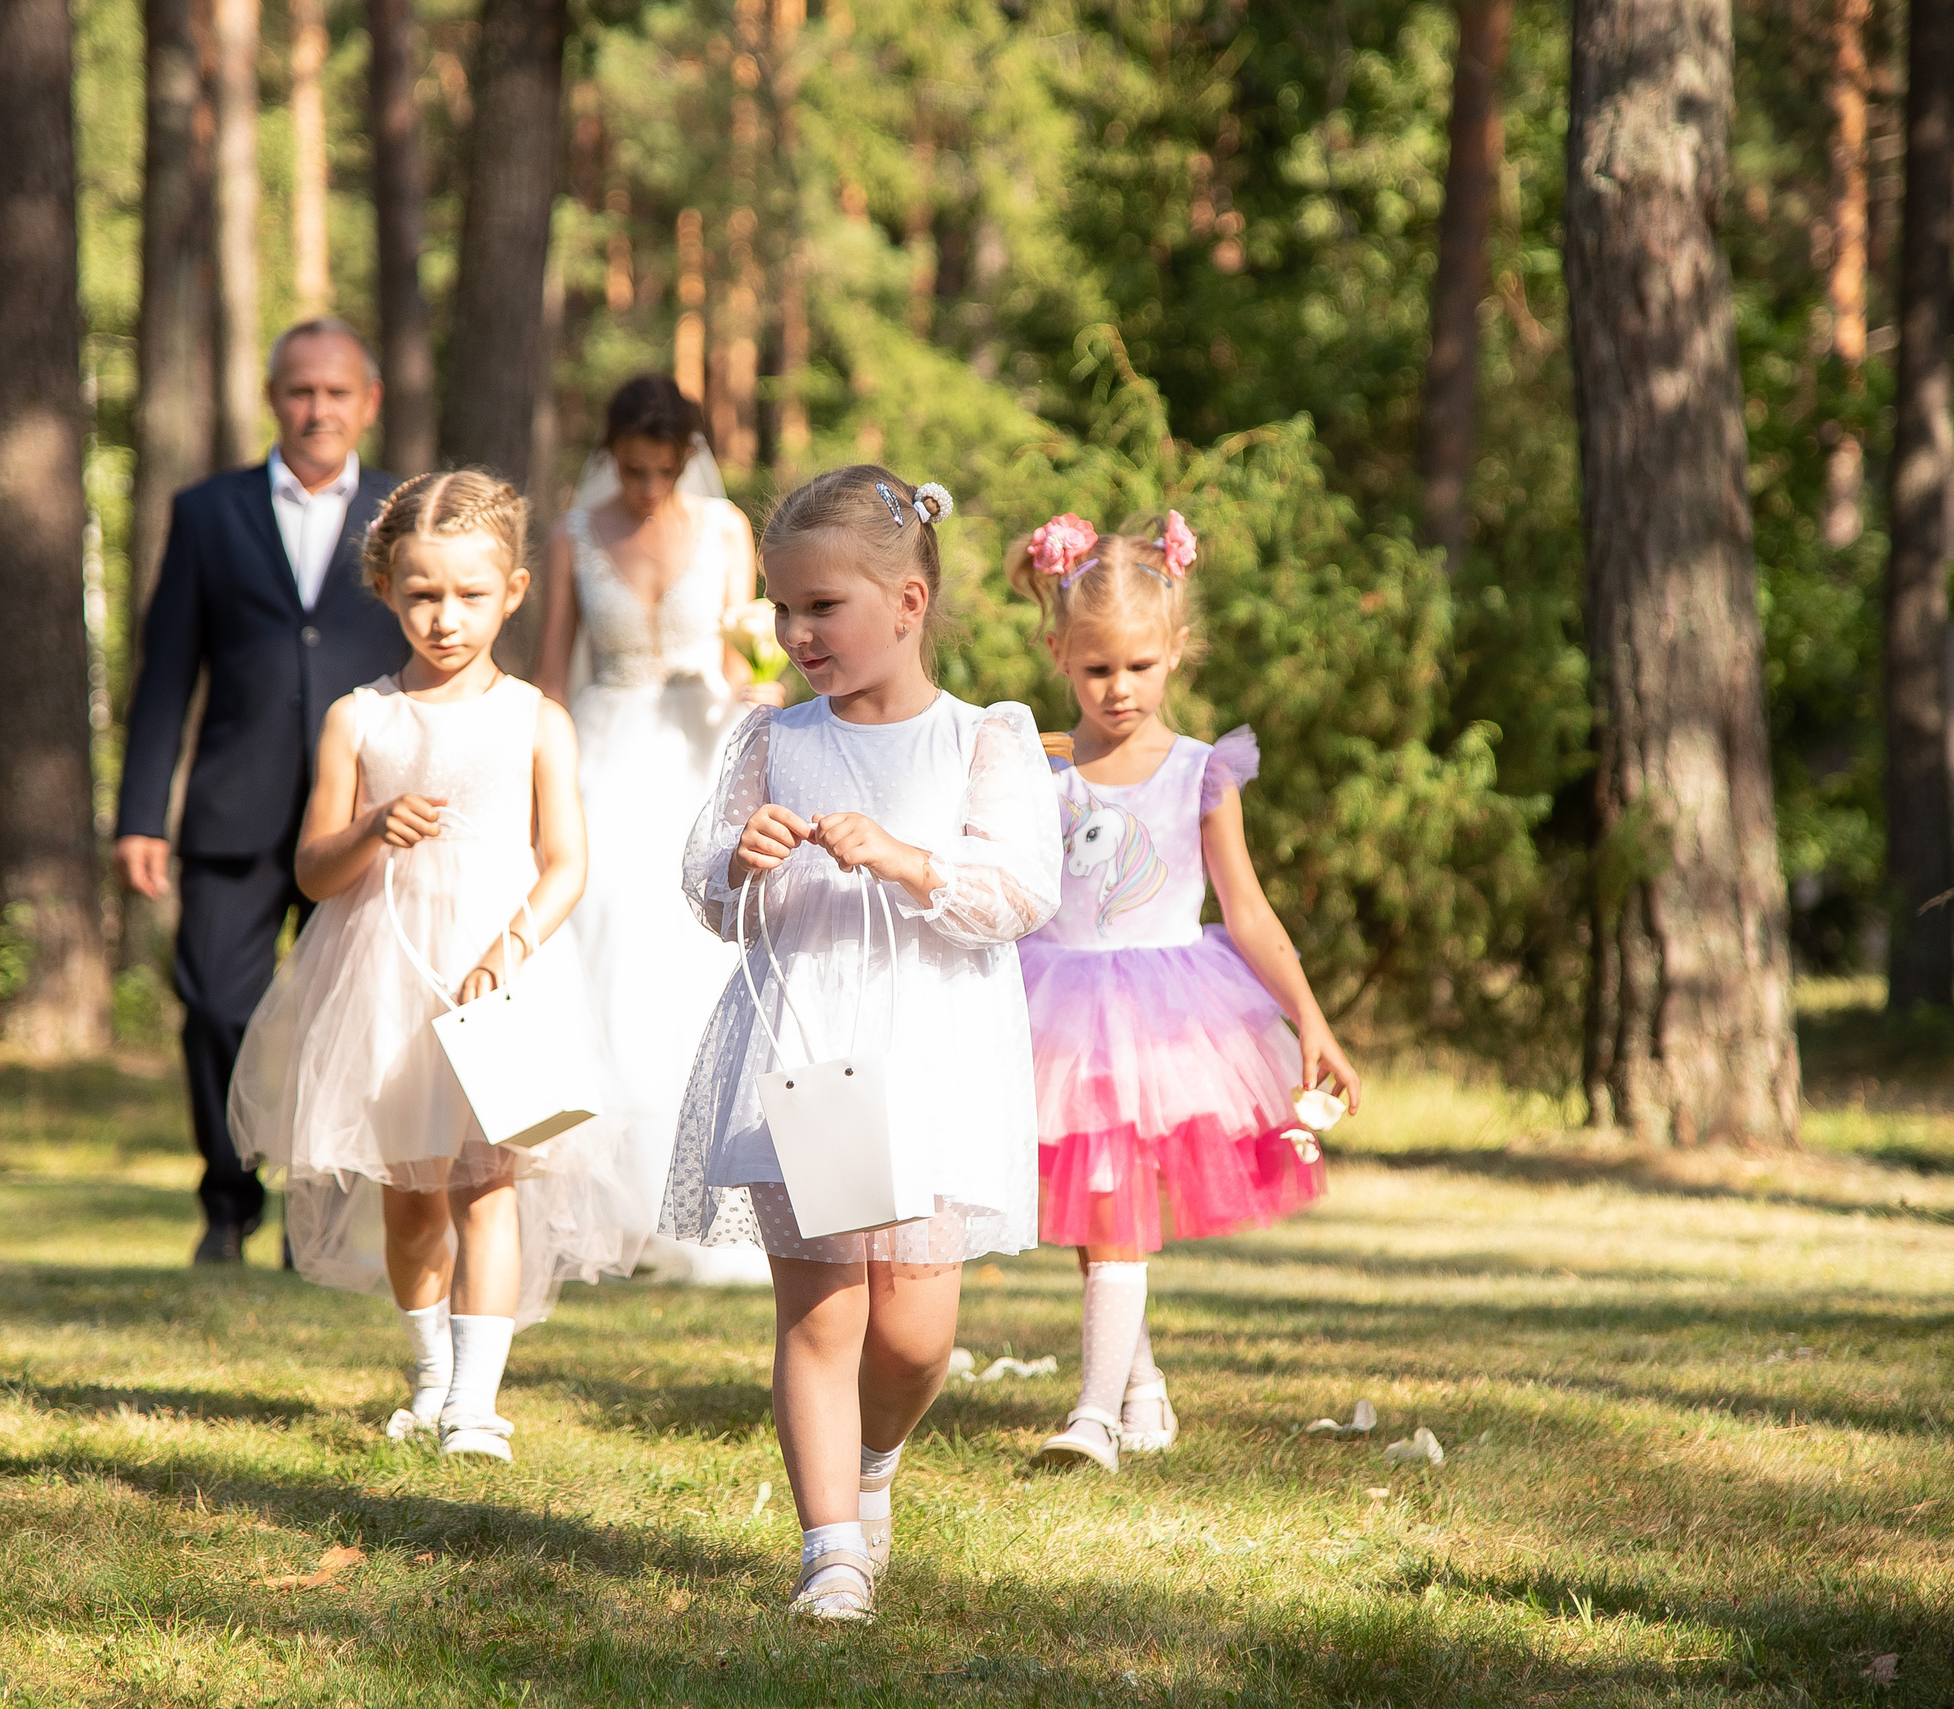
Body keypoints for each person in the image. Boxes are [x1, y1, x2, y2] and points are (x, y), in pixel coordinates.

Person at [665, 465, 1062, 1620]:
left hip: (931, 1049)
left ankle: (877, 1456)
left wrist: (906, 856)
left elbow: (1020, 893)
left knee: (913, 1331)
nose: (796, 634)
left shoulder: (983, 739)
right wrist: (740, 861)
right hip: (809, 1041)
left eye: (821, 608)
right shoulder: (772, 738)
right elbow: (704, 886)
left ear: (908, 603)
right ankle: (829, 1544)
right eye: (783, 610)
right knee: (825, 1308)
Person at [228, 470, 641, 1463]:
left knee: (492, 1179)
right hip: (385, 974)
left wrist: (511, 944)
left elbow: (567, 860)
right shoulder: (358, 719)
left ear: (513, 590)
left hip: (500, 971)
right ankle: (431, 1372)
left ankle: (477, 1403)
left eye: (466, 594)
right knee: (411, 1195)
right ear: (384, 587)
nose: (443, 617)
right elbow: (314, 869)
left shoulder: (536, 716)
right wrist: (371, 826)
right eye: (420, 593)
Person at [1006, 509, 1365, 1474]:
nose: (1118, 689)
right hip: (1059, 1011)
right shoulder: (1040, 768)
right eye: (1095, 670)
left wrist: (1311, 1022)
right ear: (1057, 652)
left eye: (1139, 666)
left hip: (1165, 1019)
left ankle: (1090, 1416)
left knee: (1116, 1208)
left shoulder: (1203, 773)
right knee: (1095, 1212)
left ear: (1177, 651)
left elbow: (1247, 912)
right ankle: (1140, 1384)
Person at [115, 318, 407, 1265]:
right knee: (216, 1007)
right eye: (299, 391)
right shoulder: (208, 512)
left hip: (363, 810)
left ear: (367, 402)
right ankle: (227, 1201)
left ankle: (312, 1215)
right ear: (274, 398)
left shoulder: (410, 513)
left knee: (343, 1020)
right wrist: (139, 815)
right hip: (231, 811)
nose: (317, 408)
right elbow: (166, 673)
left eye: (336, 392)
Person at [535, 376, 778, 1286]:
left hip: (693, 753)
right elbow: (553, 667)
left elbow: (739, 651)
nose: (645, 489)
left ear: (686, 460)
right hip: (602, 753)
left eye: (663, 471)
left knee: (686, 957)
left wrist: (755, 686)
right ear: (609, 455)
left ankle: (693, 1197)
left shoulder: (725, 531)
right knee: (601, 947)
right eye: (632, 471)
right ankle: (598, 1206)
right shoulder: (573, 536)